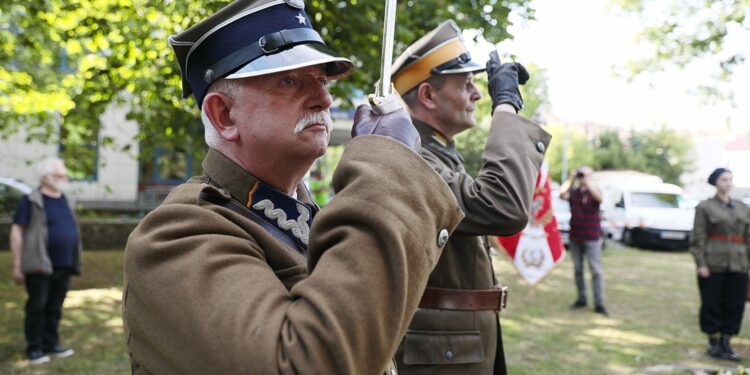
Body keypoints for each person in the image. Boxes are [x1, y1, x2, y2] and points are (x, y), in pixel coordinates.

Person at [122, 1, 465, 374]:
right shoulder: (176, 234)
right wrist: (388, 167)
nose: (325, 98)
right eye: (288, 80)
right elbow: (305, 364)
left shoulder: (304, 216)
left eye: (321, 79)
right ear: (224, 115)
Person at [390, 20, 551, 375]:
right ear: (428, 96)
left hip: (453, 344)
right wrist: (505, 107)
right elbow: (502, 205)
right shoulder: (413, 157)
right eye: (466, 85)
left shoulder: (438, 151)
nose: (478, 94)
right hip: (440, 351)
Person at [10, 157, 81, 365]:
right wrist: (17, 264)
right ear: (46, 177)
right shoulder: (31, 200)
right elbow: (17, 232)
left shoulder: (66, 199)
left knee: (55, 307)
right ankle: (34, 348)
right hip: (39, 263)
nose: (65, 178)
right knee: (37, 307)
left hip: (65, 262)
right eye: (61, 174)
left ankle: (51, 344)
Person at [690, 168, 750, 361]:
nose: (728, 183)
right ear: (716, 182)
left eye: (730, 180)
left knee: (735, 304)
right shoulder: (705, 207)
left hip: (739, 263)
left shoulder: (742, 208)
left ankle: (726, 341)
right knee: (712, 303)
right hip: (713, 262)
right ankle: (713, 342)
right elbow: (698, 237)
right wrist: (701, 263)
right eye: (724, 179)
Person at [560, 166, 608, 316]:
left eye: (586, 175)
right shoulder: (574, 192)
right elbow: (562, 194)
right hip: (575, 236)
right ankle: (582, 299)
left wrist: (588, 184)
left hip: (591, 237)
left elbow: (600, 199)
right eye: (582, 175)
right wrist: (571, 179)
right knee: (578, 269)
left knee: (596, 271)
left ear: (591, 177)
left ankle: (599, 303)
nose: (583, 178)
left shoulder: (595, 190)